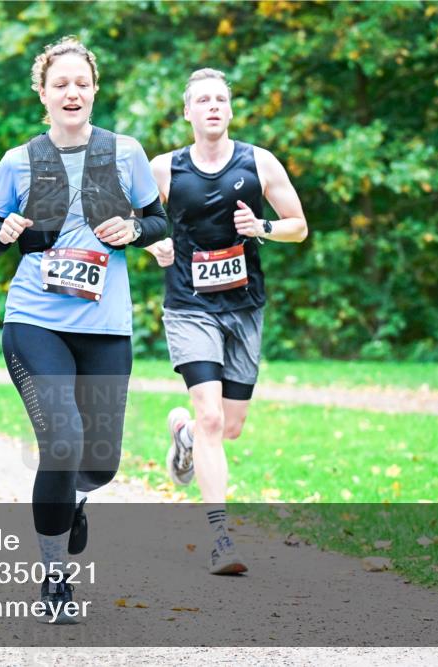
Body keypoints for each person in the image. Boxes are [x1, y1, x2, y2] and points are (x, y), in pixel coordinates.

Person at [0, 37, 169, 623]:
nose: (71, 92)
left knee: (100, 460)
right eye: (60, 83)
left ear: (94, 90)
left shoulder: (126, 152)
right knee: (61, 442)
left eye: (81, 83)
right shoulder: (19, 159)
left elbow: (160, 219)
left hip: (106, 325)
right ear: (42, 92)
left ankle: (78, 496)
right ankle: (55, 576)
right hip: (35, 320)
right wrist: (7, 233)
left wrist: (134, 232)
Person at [145, 68, 308, 574]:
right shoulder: (165, 169)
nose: (213, 106)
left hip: (244, 306)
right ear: (188, 112)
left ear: (230, 111)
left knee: (229, 427)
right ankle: (222, 541)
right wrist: (154, 241)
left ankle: (187, 437)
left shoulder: (257, 162)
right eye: (203, 100)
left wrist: (260, 226)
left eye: (221, 99)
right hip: (189, 305)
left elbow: (298, 226)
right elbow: (128, 218)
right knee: (212, 416)